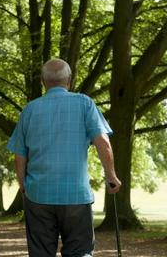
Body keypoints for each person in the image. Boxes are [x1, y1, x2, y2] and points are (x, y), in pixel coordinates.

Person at [7, 58, 121, 257]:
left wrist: (23, 185)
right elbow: (102, 141)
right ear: (69, 80)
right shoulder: (84, 103)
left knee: (41, 253)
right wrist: (111, 176)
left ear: (43, 81)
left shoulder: (29, 110)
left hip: (38, 195)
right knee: (79, 252)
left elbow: (19, 155)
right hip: (75, 195)